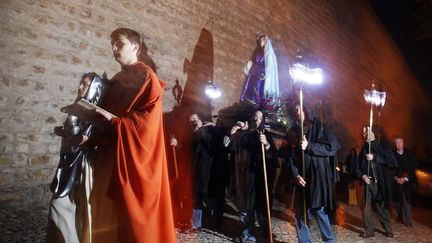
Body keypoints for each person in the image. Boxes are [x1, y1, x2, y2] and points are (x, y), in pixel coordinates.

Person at [83, 28, 175, 243]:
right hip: (110, 155)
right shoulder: (118, 78)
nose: (114, 48)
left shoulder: (146, 76)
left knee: (128, 222)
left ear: (136, 47)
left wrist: (114, 121)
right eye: (113, 43)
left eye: (120, 44)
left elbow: (147, 124)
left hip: (130, 157)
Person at [46, 72, 103, 243]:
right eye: (80, 83)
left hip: (83, 165)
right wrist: (64, 132)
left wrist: (78, 137)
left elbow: (93, 138)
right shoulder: (77, 107)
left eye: (85, 84)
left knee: (66, 206)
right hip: (69, 161)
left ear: (94, 88)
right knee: (68, 207)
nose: (80, 87)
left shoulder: (97, 112)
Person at [286, 105, 341, 243]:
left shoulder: (320, 127)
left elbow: (331, 148)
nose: (296, 112)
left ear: (306, 110)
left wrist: (309, 146)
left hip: (317, 176)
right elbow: (290, 157)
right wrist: (296, 175)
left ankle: (329, 240)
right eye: (295, 109)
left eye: (299, 109)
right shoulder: (294, 131)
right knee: (300, 212)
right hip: (301, 177)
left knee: (318, 209)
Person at [230, 110, 275, 242]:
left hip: (261, 177)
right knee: (246, 208)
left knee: (262, 209)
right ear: (251, 119)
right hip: (247, 176)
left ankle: (266, 236)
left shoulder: (266, 134)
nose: (257, 120)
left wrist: (266, 144)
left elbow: (273, 155)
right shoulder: (246, 134)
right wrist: (234, 132)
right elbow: (234, 145)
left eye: (260, 118)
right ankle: (246, 234)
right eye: (255, 117)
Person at [356, 126, 397, 238]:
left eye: (367, 132)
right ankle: (369, 230)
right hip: (366, 182)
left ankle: (387, 229)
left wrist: (375, 157)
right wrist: (363, 176)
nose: (364, 135)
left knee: (381, 206)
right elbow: (357, 167)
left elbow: (391, 162)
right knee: (366, 207)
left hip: (378, 182)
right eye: (363, 132)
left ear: (373, 132)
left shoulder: (382, 145)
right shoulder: (363, 148)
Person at [240, 35, 279, 105]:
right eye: (260, 40)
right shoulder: (256, 50)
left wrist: (265, 74)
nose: (261, 42)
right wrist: (249, 64)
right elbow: (252, 59)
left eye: (263, 40)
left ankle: (256, 104)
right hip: (253, 72)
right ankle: (246, 102)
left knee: (257, 89)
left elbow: (269, 65)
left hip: (260, 73)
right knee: (249, 87)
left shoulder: (268, 52)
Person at [393, 136, 418, 226]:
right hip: (396, 181)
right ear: (395, 144)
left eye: (400, 142)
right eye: (397, 143)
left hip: (407, 182)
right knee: (398, 201)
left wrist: (405, 178)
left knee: (406, 200)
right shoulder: (392, 155)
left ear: (403, 144)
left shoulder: (409, 155)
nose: (399, 144)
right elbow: (391, 169)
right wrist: (396, 178)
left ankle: (408, 221)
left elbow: (413, 169)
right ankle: (400, 217)